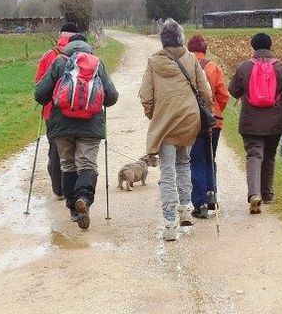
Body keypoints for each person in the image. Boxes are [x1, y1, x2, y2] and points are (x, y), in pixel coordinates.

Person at [34, 32, 119, 229]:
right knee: (87, 164)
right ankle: (84, 198)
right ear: (87, 46)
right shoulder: (97, 63)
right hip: (90, 126)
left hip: (61, 126)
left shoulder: (58, 61)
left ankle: (73, 209)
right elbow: (112, 97)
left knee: (68, 165)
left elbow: (40, 94)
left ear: (68, 46)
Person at [138, 19, 213, 242]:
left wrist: (153, 114)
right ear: (181, 38)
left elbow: (146, 96)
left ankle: (170, 222)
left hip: (165, 123)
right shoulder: (190, 59)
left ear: (162, 40)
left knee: (168, 171)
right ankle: (184, 209)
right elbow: (206, 91)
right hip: (189, 121)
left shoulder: (153, 62)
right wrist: (206, 113)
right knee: (184, 164)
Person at [228, 32, 282, 214]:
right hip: (275, 122)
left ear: (253, 47)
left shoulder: (244, 67)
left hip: (250, 121)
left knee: (254, 156)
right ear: (270, 46)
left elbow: (233, 90)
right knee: (269, 157)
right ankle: (267, 194)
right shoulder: (281, 68)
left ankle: (254, 194)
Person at [34, 22, 80, 200]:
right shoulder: (85, 54)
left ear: (60, 35)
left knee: (55, 149)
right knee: (77, 148)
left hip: (54, 113)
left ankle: (59, 189)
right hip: (80, 110)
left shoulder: (50, 55)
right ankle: (77, 186)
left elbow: (39, 83)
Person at [186, 33, 229, 219]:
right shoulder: (213, 67)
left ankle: (200, 203)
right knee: (210, 157)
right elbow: (224, 95)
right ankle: (212, 195)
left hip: (193, 121)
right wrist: (216, 110)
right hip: (214, 120)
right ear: (205, 49)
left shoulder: (186, 67)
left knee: (196, 160)